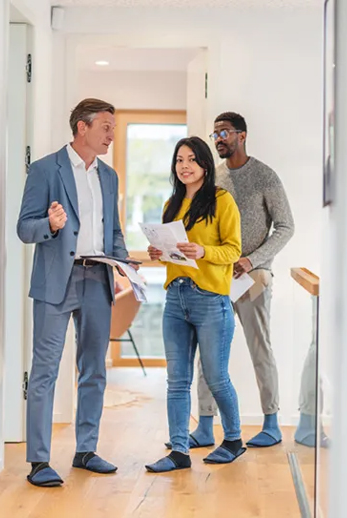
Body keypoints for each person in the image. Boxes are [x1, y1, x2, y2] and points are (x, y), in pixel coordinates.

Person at [17, 98, 136, 487]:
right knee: (46, 371)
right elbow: (24, 228)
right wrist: (49, 225)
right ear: (81, 128)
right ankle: (38, 461)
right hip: (56, 280)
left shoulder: (109, 176)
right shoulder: (44, 169)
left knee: (94, 370)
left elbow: (112, 230)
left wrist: (123, 265)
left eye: (113, 128)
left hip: (97, 278)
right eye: (105, 127)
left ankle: (86, 450)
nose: (111, 135)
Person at [166, 112, 295, 450]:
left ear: (242, 135)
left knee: (259, 345)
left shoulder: (265, 176)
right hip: (216, 276)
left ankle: (271, 422)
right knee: (206, 356)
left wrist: (252, 260)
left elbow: (285, 227)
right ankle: (205, 424)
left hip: (253, 275)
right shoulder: (215, 178)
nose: (219, 138)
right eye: (215, 134)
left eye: (225, 132)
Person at [144, 136, 246, 473]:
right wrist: (159, 254)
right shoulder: (171, 204)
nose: (184, 166)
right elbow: (173, 257)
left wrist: (204, 252)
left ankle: (233, 439)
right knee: (176, 380)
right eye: (179, 160)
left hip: (210, 299)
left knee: (216, 377)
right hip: (176, 296)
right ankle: (179, 451)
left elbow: (233, 250)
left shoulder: (221, 200)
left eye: (191, 160)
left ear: (204, 164)